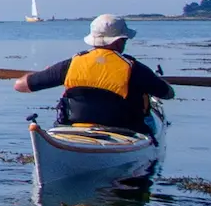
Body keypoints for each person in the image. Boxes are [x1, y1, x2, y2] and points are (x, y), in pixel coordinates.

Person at [14, 14, 175, 134]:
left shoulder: (71, 64)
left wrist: (45, 73)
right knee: (151, 114)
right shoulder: (134, 68)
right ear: (118, 41)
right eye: (125, 40)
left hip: (73, 130)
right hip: (123, 132)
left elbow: (20, 86)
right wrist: (153, 82)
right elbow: (168, 94)